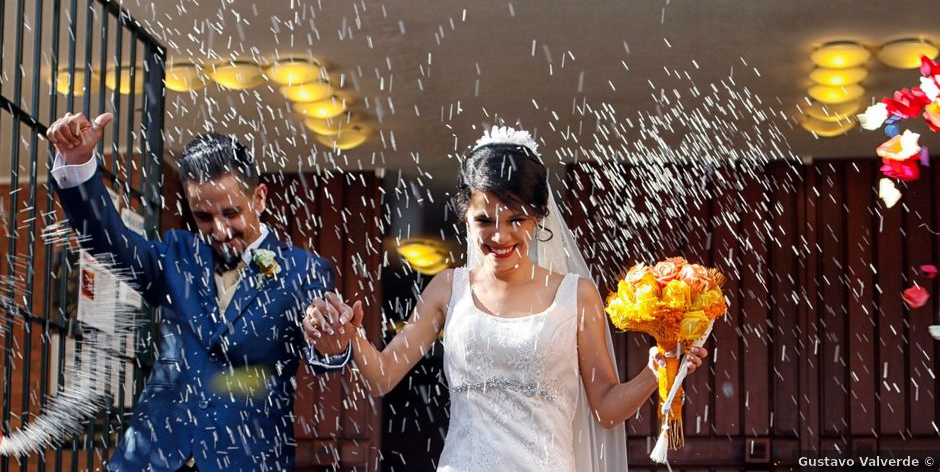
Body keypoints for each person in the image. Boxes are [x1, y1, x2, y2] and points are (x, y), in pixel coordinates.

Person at [306, 126, 708, 471]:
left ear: (538, 217)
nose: (499, 237)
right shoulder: (447, 289)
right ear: (465, 216)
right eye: (484, 220)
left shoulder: (576, 296)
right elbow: (382, 375)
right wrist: (352, 337)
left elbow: (604, 408)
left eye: (516, 220)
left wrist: (655, 372)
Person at [46, 112, 355, 472]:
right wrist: (78, 163)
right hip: (149, 460)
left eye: (231, 212)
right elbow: (106, 242)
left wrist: (333, 345)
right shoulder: (176, 254)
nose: (220, 230)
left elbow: (323, 350)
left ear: (259, 198)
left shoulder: (304, 270)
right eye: (204, 218)